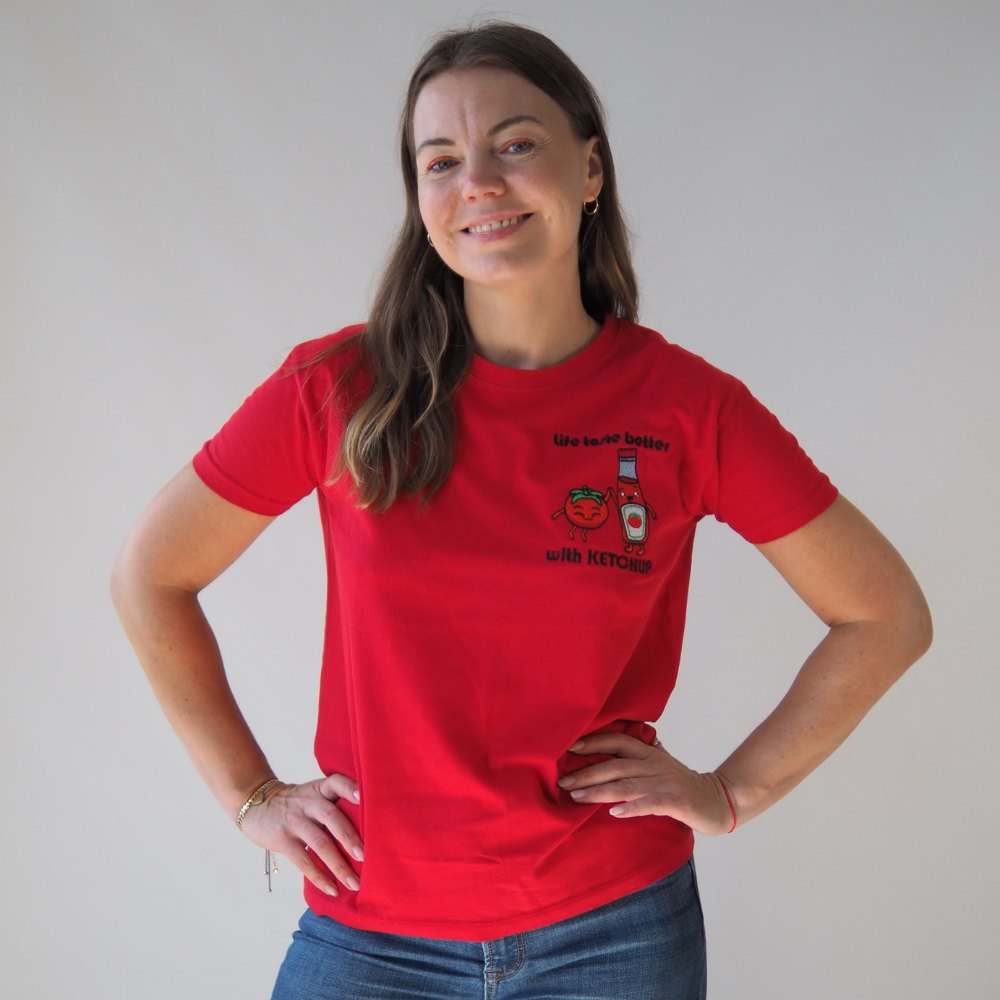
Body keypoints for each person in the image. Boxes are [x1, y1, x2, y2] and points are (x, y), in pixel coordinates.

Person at [110, 21, 932, 1000]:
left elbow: (885, 615)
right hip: (371, 931)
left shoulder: (688, 409)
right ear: (420, 199)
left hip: (615, 933)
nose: (479, 184)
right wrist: (250, 796)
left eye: (516, 144)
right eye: (441, 161)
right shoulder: (336, 389)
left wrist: (730, 792)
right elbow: (149, 577)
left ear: (590, 170)